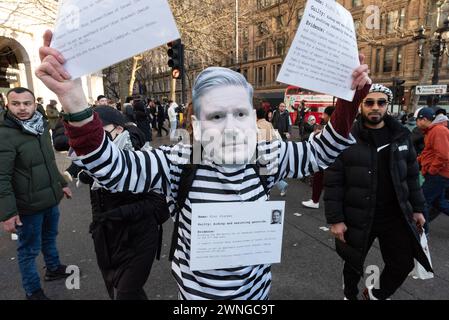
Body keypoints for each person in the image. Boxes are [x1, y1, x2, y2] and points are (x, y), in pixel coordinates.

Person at [36, 31, 371, 299]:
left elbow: (321, 151)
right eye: (216, 116)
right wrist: (75, 103)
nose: (230, 126)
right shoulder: (180, 161)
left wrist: (349, 96)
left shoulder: (266, 155)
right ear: (195, 123)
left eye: (240, 113)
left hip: (257, 293)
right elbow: (113, 168)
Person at [324, 84, 432, 300]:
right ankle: (350, 296)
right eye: (369, 102)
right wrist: (335, 219)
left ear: (387, 105)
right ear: (361, 106)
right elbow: (333, 181)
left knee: (402, 263)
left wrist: (418, 209)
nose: (375, 107)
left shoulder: (401, 136)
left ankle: (375, 295)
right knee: (353, 263)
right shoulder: (345, 137)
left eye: (381, 102)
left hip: (395, 215)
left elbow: (411, 176)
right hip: (358, 213)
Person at [76, 106, 169, 300]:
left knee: (126, 291)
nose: (96, 139)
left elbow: (160, 203)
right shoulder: (94, 160)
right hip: (109, 237)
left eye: (101, 131)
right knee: (123, 287)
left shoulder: (141, 155)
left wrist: (120, 213)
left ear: (119, 129)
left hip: (139, 237)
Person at [0, 87, 73, 300]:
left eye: (26, 103)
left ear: (34, 104)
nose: (22, 108)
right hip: (27, 206)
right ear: (8, 105)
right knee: (28, 251)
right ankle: (33, 291)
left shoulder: (39, 124)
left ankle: (53, 268)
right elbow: (1, 177)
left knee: (50, 237)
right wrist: (7, 214)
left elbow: (48, 161)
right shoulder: (4, 134)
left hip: (49, 199)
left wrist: (61, 183)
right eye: (16, 103)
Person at [416, 107, 449, 228]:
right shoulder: (432, 131)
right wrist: (415, 161)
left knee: (422, 201)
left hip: (438, 174)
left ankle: (422, 230)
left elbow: (443, 155)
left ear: (423, 119)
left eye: (417, 120)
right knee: (439, 203)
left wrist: (432, 171)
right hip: (439, 173)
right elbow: (428, 152)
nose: (416, 123)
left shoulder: (438, 130)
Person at [302, 106, 335, 209]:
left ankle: (315, 200)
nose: (322, 116)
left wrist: (317, 135)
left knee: (321, 178)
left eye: (324, 114)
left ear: (328, 115)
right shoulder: (332, 125)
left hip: (327, 159)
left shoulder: (331, 126)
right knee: (320, 178)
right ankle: (315, 200)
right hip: (329, 158)